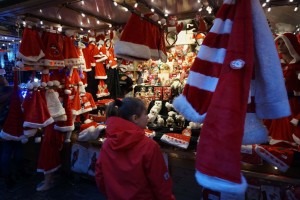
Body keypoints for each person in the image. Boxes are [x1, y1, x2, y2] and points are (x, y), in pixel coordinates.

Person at [95, 97, 175, 200]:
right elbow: (161, 186)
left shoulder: (107, 144)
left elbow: (100, 177)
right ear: (135, 118)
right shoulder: (149, 147)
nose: (147, 117)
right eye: (145, 114)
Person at [266, 33, 300, 146]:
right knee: (276, 138)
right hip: (278, 106)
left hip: (292, 106)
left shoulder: (297, 67)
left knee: (289, 139)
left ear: (291, 44)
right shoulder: (277, 65)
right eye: (278, 43)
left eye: (283, 43)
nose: (280, 45)